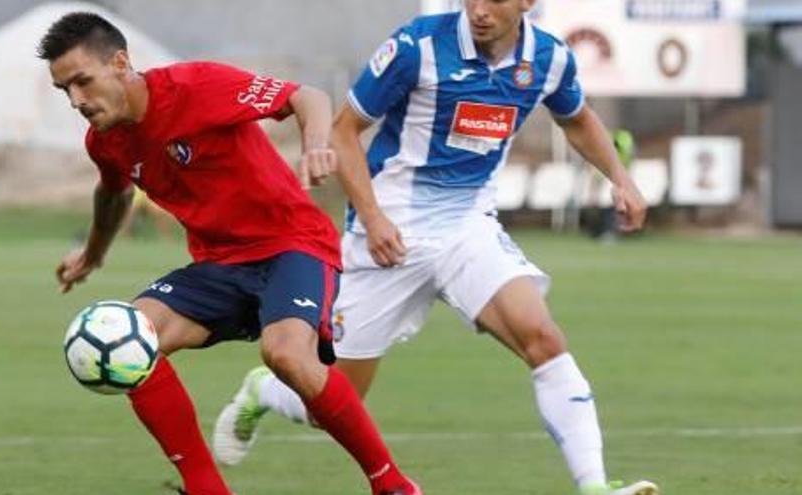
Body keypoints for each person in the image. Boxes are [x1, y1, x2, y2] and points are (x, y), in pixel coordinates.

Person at [214, 1, 658, 495]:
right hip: (388, 235)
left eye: (494, 0)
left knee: (543, 337)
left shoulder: (549, 59)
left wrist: (620, 178)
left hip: (467, 228)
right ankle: (266, 390)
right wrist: (374, 217)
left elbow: (576, 119)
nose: (479, 10)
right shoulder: (417, 46)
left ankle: (594, 486)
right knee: (332, 404)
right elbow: (343, 131)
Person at [40, 12, 421, 495]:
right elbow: (112, 193)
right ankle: (206, 488)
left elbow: (307, 98)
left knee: (285, 354)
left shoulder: (197, 86)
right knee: (131, 337)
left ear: (120, 63)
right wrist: (93, 254)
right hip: (219, 264)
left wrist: (315, 144)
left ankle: (392, 484)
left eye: (82, 82)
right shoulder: (105, 140)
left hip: (293, 244)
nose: (76, 100)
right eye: (64, 90)